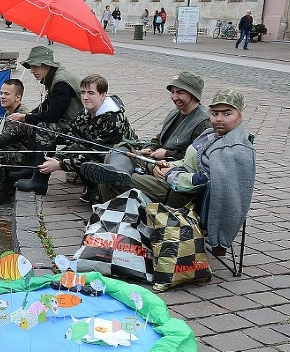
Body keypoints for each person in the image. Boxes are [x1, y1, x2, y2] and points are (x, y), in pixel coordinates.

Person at [87, 90, 254, 255]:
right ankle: (118, 178)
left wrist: (170, 174)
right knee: (121, 150)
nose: (218, 118)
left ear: (240, 115)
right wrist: (170, 165)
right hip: (172, 175)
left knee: (111, 179)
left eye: (227, 114)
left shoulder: (232, 149)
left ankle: (110, 227)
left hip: (182, 196)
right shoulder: (211, 134)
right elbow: (191, 161)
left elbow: (204, 180)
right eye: (215, 113)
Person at [81, 71, 210, 201]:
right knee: (119, 149)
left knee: (119, 178)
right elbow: (159, 138)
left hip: (171, 173)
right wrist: (150, 147)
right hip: (155, 162)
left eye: (180, 92)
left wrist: (166, 154)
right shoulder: (175, 112)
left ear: (193, 94)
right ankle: (118, 172)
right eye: (173, 92)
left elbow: (196, 162)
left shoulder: (203, 123)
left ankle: (110, 193)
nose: (174, 97)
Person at [34, 74, 136, 204]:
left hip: (118, 158)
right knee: (77, 151)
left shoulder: (113, 120)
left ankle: (100, 190)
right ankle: (91, 187)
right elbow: (74, 141)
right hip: (96, 152)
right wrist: (57, 158)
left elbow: (97, 153)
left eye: (91, 93)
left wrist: (60, 164)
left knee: (89, 162)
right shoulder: (84, 113)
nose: (85, 97)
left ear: (103, 95)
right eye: (83, 92)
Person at [9, 45, 83, 195]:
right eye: (31, 67)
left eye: (36, 66)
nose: (32, 70)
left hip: (81, 128)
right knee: (34, 122)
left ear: (47, 65)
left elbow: (52, 115)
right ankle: (30, 170)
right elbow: (46, 106)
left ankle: (40, 181)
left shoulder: (61, 82)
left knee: (45, 129)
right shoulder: (53, 77)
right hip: (73, 122)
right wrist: (29, 116)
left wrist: (25, 116)